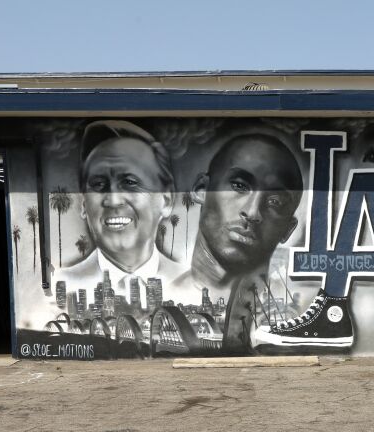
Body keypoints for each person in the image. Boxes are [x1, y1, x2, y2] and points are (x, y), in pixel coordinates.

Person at [173, 132, 304, 352]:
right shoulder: (171, 292)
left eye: (275, 201)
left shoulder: (285, 315)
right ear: (201, 190)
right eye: (240, 186)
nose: (252, 212)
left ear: (287, 229)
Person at [55, 120, 185, 303]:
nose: (113, 200)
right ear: (83, 204)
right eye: (99, 185)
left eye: (130, 183)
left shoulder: (190, 284)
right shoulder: (62, 284)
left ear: (166, 200)